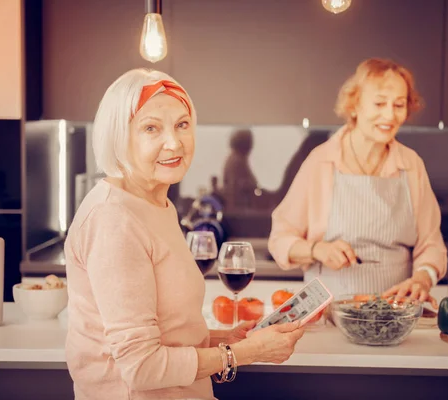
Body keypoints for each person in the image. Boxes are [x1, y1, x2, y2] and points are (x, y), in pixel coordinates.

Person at [64, 69, 304, 400]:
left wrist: (225, 339)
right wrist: (249, 353)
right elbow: (141, 366)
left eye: (182, 124)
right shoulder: (113, 219)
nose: (174, 142)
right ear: (118, 137)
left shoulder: (156, 204)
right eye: (151, 128)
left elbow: (169, 331)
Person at [268, 58, 447, 307]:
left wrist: (422, 279)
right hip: (328, 313)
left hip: (396, 313)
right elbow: (279, 239)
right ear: (355, 106)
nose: (389, 115)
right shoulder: (321, 161)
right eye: (379, 103)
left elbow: (431, 244)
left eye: (398, 105)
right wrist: (316, 249)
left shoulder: (411, 164)